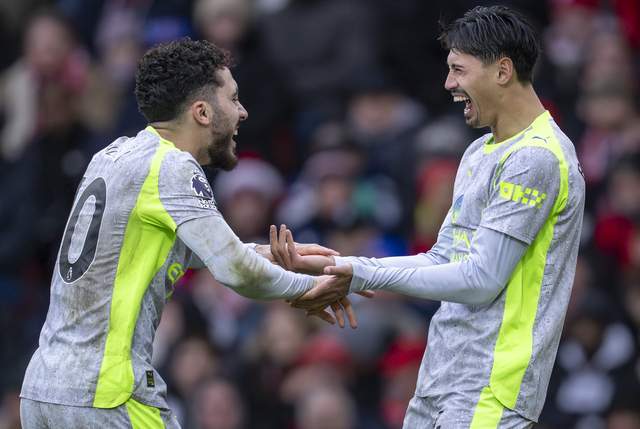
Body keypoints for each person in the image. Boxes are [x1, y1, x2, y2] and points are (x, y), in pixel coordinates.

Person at [272, 6, 585, 428]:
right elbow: (442, 259)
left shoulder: (537, 158)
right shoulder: (479, 152)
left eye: (458, 70)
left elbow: (481, 279)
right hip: (440, 382)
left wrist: (361, 273)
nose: (448, 84)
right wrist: (342, 266)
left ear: (503, 71)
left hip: (492, 391)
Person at [18, 38, 354, 429]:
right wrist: (307, 290)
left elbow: (182, 250)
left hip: (43, 389)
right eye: (234, 98)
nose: (243, 111)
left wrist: (277, 256)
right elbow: (236, 271)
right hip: (106, 393)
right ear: (202, 112)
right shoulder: (172, 166)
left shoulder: (111, 155)